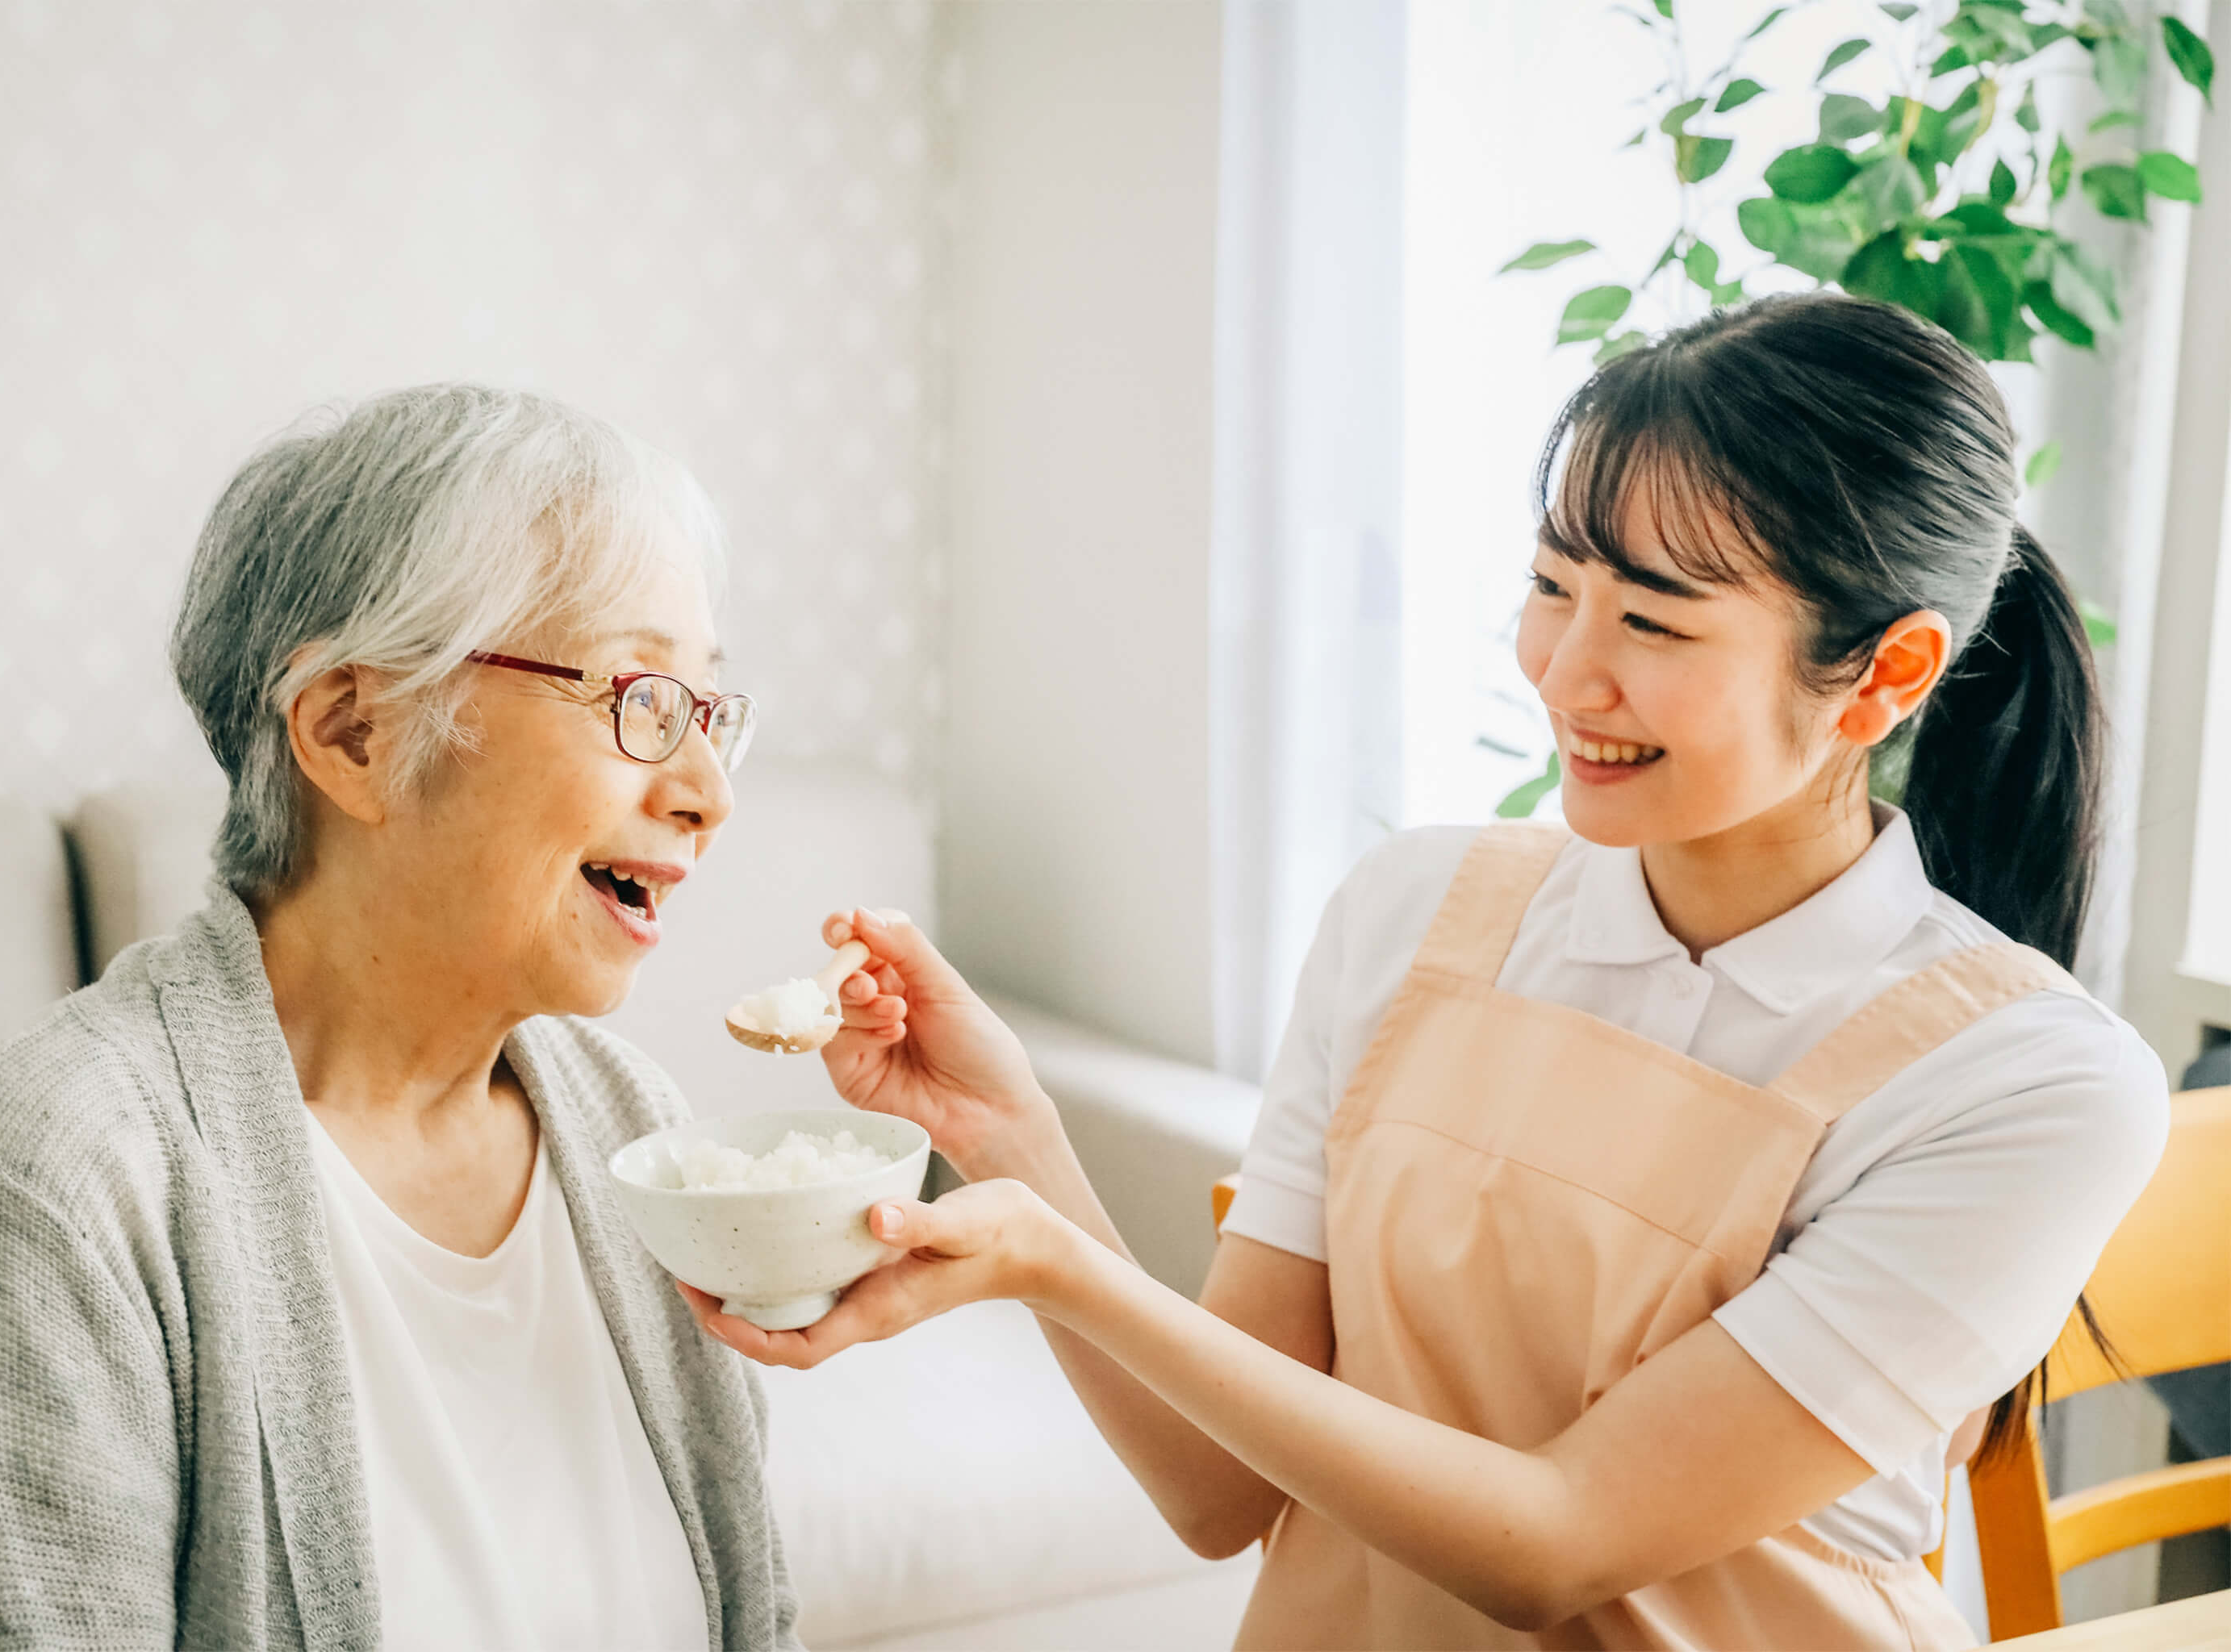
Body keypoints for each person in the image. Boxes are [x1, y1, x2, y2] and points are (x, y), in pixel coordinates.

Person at [687, 294, 2170, 1648]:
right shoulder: (1416, 911)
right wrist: (1006, 1137)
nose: (1564, 670)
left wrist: (1055, 1266)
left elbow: (1556, 1544)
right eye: (1552, 584)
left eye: (1653, 620)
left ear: (1888, 675)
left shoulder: (2029, 1085)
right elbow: (1217, 1495)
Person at [0, 386, 798, 1650]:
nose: (708, 791)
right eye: (641, 699)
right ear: (354, 733)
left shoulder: (632, 1127)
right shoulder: (54, 1198)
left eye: (708, 710)